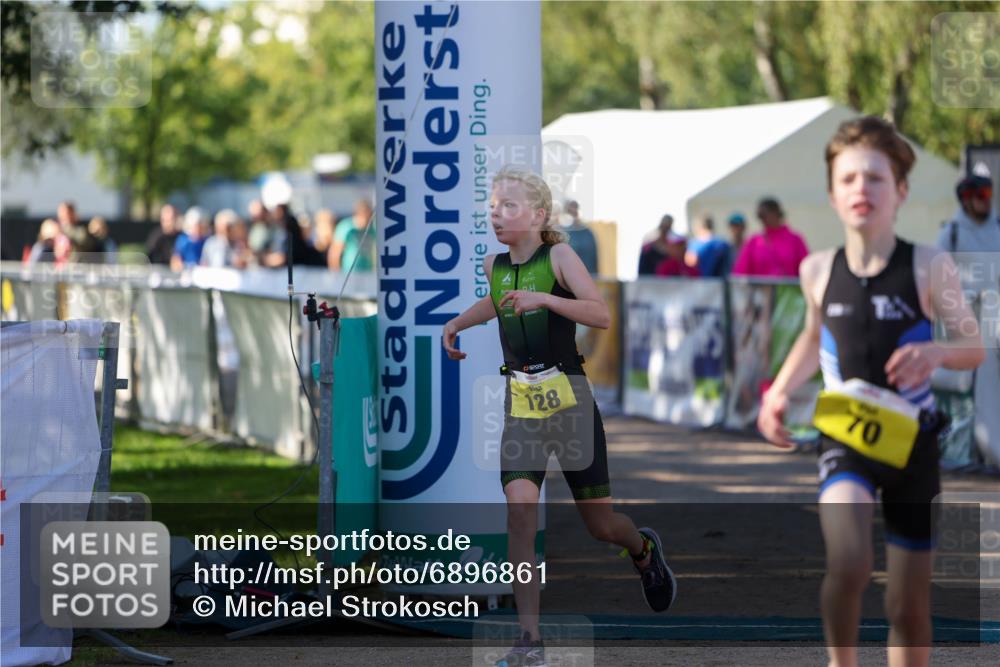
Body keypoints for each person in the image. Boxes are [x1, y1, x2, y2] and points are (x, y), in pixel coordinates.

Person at [757, 116, 984, 667]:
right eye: (850, 178)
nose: (863, 189)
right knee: (851, 562)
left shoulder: (930, 264)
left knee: (908, 606)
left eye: (876, 178)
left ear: (901, 191)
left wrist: (934, 353)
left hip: (914, 446)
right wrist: (778, 393)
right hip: (845, 441)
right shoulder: (816, 270)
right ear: (832, 194)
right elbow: (815, 338)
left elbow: (974, 347)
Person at [442, 167, 676, 667]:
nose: (496, 214)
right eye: (492, 206)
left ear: (538, 215)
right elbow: (498, 301)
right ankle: (529, 641)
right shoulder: (495, 264)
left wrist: (547, 298)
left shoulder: (560, 256)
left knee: (601, 525)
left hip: (569, 400)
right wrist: (460, 322)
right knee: (520, 513)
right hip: (521, 403)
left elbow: (601, 314)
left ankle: (642, 550)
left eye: (508, 205)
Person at [936, 172, 1000, 465]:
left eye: (989, 193)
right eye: (981, 195)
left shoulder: (998, 226)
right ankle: (972, 450)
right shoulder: (951, 233)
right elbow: (936, 276)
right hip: (966, 321)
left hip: (996, 318)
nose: (987, 201)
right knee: (968, 386)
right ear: (966, 199)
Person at [731, 197, 809, 277]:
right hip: (760, 289)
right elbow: (740, 273)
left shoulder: (795, 240)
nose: (761, 219)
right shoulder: (753, 241)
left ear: (776, 213)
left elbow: (807, 271)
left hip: (789, 289)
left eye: (763, 215)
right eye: (759, 216)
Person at [331, 199, 376, 272]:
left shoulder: (372, 229)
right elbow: (335, 253)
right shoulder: (346, 227)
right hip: (349, 272)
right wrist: (335, 273)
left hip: (367, 272)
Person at [558, 200, 599, 274]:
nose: (573, 214)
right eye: (570, 211)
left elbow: (594, 259)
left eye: (575, 211)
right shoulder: (560, 234)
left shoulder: (587, 233)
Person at [171, 207, 209, 271]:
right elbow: (176, 260)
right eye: (196, 225)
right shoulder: (183, 240)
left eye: (201, 225)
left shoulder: (207, 241)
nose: (198, 228)